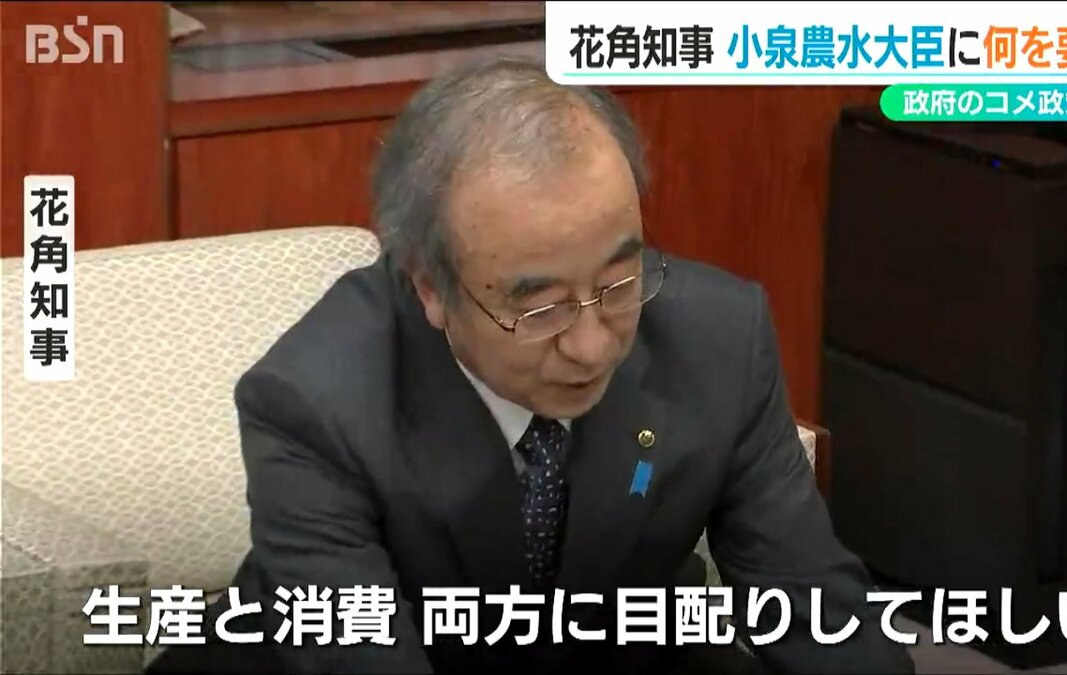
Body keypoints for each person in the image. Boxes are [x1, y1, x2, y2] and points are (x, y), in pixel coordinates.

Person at [147, 56, 914, 675]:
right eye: (540, 307)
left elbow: (815, 607)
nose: (592, 344)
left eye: (618, 280)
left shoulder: (719, 337)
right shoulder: (315, 401)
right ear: (430, 287)